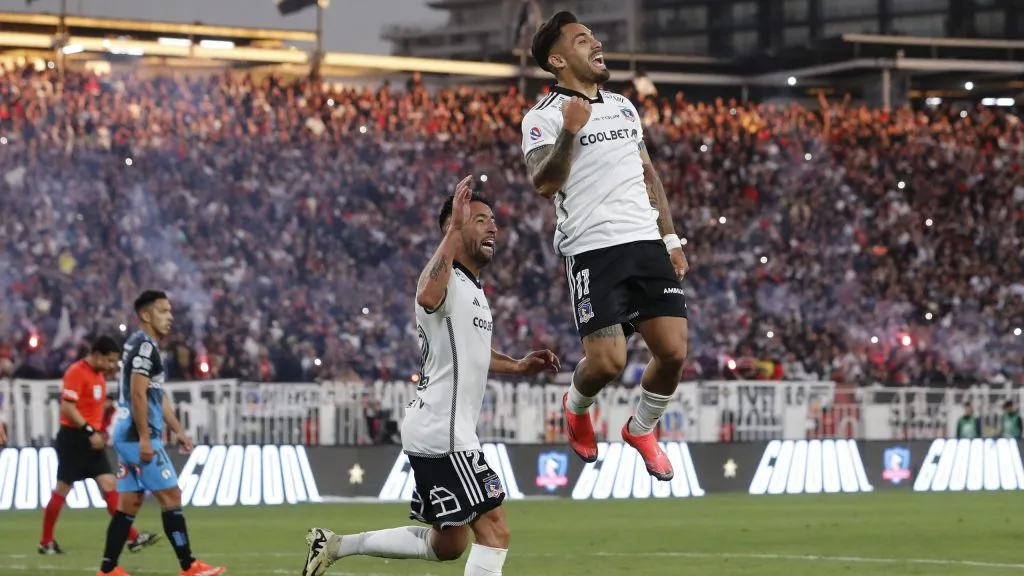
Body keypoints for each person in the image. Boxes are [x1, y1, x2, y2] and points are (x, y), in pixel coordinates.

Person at [301, 176, 560, 576]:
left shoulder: (473, 288)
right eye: (479, 220)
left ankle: (335, 545)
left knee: (449, 544)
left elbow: (474, 353)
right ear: (453, 227)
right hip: (445, 431)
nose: (492, 226)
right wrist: (455, 229)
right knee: (495, 531)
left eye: (493, 219)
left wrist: (518, 365)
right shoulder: (444, 279)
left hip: (436, 427)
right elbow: (425, 295)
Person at [521, 11, 689, 480]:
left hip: (645, 242)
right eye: (581, 40)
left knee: (673, 352)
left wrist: (670, 238)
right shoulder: (543, 117)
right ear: (557, 59)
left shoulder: (622, 105)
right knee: (608, 362)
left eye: (593, 37)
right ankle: (576, 407)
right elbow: (544, 183)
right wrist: (571, 130)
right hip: (594, 247)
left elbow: (648, 175)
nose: (595, 44)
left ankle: (641, 428)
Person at [97, 290, 226, 576]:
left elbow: (156, 395)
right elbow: (138, 394)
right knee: (172, 496)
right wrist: (145, 438)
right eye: (163, 311)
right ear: (146, 314)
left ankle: (108, 570)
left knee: (129, 504)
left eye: (170, 312)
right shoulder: (145, 347)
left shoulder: (139, 344)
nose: (169, 317)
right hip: (136, 435)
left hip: (126, 433)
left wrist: (178, 430)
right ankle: (189, 565)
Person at [40, 335, 161, 555]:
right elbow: (68, 407)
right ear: (96, 355)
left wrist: (102, 427)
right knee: (62, 489)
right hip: (74, 439)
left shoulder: (99, 377)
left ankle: (132, 537)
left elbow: (93, 409)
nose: (112, 365)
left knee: (110, 486)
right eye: (110, 360)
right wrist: (88, 431)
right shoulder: (76, 372)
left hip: (92, 440)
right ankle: (46, 541)